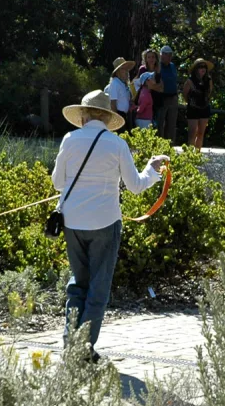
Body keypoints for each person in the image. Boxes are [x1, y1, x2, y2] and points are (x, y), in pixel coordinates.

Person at [52, 89, 169, 355]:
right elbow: (136, 186)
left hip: (73, 221)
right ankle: (83, 348)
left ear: (82, 115)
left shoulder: (69, 139)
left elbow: (58, 183)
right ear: (106, 118)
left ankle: (71, 342)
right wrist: (152, 169)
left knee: (77, 284)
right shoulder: (116, 144)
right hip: (105, 222)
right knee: (98, 288)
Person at [182, 58, 213, 152]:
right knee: (192, 133)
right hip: (193, 108)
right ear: (196, 69)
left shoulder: (209, 80)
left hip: (204, 108)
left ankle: (197, 154)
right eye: (200, 67)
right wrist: (192, 102)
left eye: (204, 67)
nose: (202, 69)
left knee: (201, 133)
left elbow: (209, 93)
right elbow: (185, 94)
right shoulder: (189, 81)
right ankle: (190, 156)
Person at [132, 49, 162, 130]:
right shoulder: (142, 69)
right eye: (149, 57)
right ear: (145, 59)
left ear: (156, 58)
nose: (151, 59)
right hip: (144, 99)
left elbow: (161, 88)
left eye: (153, 57)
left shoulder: (158, 69)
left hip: (156, 100)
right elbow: (137, 83)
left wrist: (152, 86)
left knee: (156, 126)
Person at [155, 44, 179, 142]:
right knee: (160, 123)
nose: (168, 57)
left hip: (173, 98)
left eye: (169, 55)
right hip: (162, 98)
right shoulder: (158, 66)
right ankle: (160, 144)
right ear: (161, 55)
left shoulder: (172, 66)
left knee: (172, 123)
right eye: (166, 55)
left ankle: (170, 145)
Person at [104, 57, 134, 129]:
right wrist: (117, 121)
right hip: (119, 115)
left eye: (127, 69)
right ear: (117, 72)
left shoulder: (123, 83)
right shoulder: (115, 83)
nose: (126, 71)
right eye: (123, 69)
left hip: (125, 115)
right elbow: (113, 103)